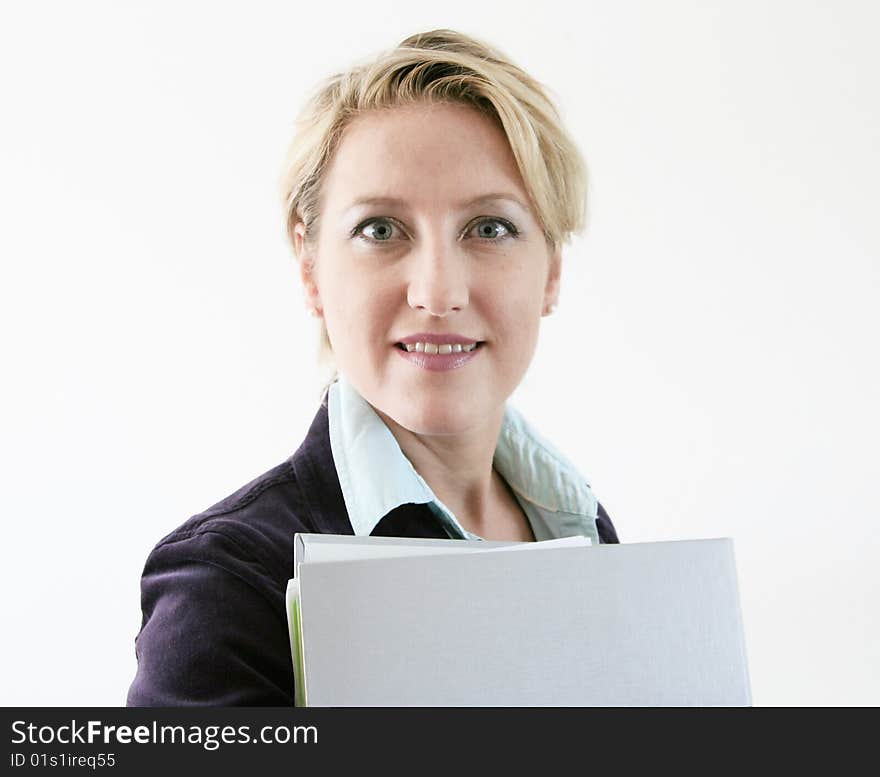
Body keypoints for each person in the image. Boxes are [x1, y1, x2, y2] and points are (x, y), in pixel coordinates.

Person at [126, 28, 620, 707]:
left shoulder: (584, 531)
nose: (438, 291)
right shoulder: (228, 587)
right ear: (310, 267)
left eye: (490, 227)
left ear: (552, 271)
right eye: (381, 230)